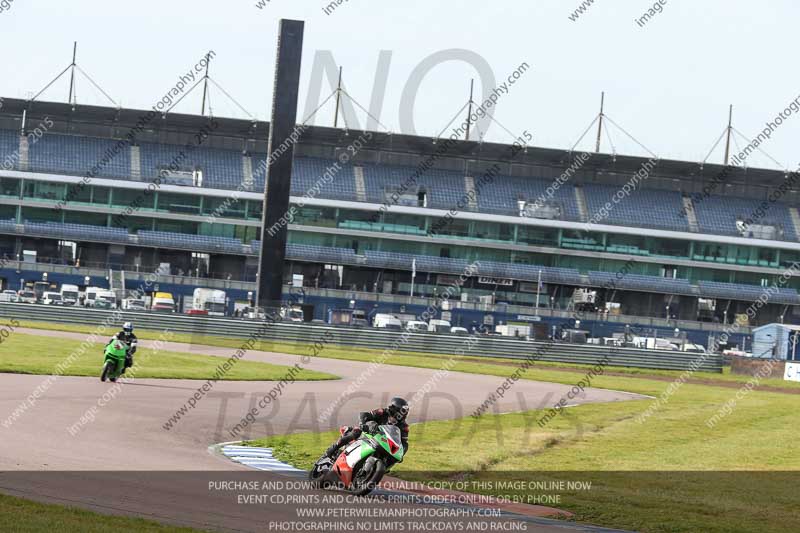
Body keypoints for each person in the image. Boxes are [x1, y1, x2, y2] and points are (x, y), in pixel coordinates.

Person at [325, 397, 410, 459]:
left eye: (404, 412)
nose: (402, 414)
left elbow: (404, 443)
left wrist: (401, 453)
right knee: (356, 431)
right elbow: (364, 414)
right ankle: (333, 449)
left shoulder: (404, 427)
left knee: (391, 458)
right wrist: (363, 424)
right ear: (394, 409)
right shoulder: (382, 412)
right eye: (401, 412)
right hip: (369, 433)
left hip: (383, 443)